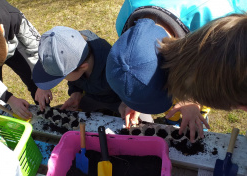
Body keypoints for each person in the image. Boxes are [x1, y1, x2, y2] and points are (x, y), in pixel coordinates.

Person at [106, 2, 247, 142]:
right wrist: (135, 98)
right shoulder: (127, 19)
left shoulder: (223, 25)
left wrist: (191, 100)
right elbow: (133, 58)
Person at [32, 26, 122, 114]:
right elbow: (75, 78)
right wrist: (76, 94)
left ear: (83, 67)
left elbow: (131, 95)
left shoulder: (115, 70)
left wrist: (126, 104)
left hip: (119, 102)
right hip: (91, 98)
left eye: (63, 77)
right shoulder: (72, 48)